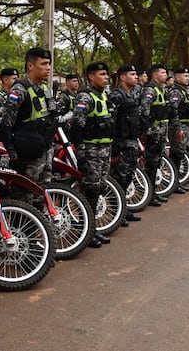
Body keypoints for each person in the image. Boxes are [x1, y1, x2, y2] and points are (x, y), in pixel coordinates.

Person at [0, 48, 57, 187]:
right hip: (27, 154)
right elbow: (6, 124)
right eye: (43, 64)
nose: (48, 68)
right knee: (25, 195)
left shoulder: (44, 89)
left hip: (44, 149)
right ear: (30, 66)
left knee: (43, 193)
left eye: (49, 63)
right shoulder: (19, 90)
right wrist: (12, 153)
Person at [71, 62, 116, 247]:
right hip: (91, 151)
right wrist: (81, 156)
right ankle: (86, 231)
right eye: (102, 74)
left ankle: (92, 228)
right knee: (90, 190)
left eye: (106, 74)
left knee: (98, 189)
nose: (106, 77)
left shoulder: (102, 96)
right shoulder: (85, 97)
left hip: (104, 150)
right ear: (91, 77)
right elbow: (77, 127)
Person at [108, 65, 143, 223]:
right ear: (123, 77)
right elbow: (111, 121)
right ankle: (118, 212)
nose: (136, 77)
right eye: (133, 74)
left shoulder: (131, 93)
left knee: (128, 175)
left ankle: (123, 209)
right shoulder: (117, 95)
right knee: (120, 177)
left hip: (131, 141)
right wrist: (114, 147)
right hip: (121, 143)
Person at [138, 63, 175, 205]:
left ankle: (154, 192)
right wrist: (148, 133)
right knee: (151, 164)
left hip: (161, 131)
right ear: (155, 75)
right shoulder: (150, 90)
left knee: (157, 162)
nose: (165, 75)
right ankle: (149, 195)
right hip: (153, 132)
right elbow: (145, 113)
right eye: (163, 73)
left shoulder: (162, 90)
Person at [166, 68, 189, 192]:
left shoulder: (183, 91)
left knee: (180, 153)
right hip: (179, 127)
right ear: (177, 77)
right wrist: (177, 129)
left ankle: (178, 181)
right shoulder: (176, 92)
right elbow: (173, 111)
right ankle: (174, 183)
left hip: (185, 126)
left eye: (188, 76)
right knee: (176, 154)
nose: (188, 78)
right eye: (185, 76)